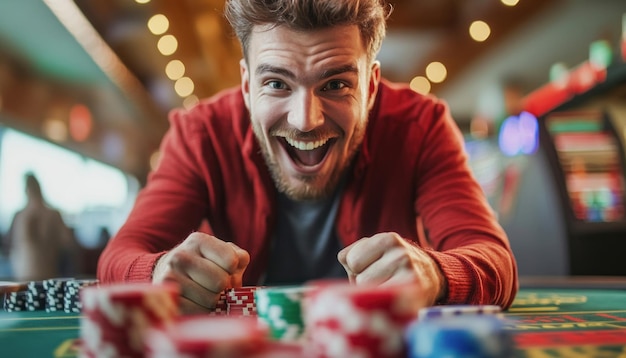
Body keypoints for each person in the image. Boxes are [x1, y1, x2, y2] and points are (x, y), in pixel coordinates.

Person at [98, 0, 518, 314]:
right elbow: (120, 256)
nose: (305, 121)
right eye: (277, 84)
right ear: (246, 86)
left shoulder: (421, 126)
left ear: (371, 86)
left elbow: (495, 259)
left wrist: (436, 273)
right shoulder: (200, 134)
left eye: (335, 85)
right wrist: (157, 272)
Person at [3, 173, 75, 281]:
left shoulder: (19, 215)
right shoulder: (53, 214)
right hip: (47, 274)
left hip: (23, 274)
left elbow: (8, 245)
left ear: (25, 190)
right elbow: (68, 242)